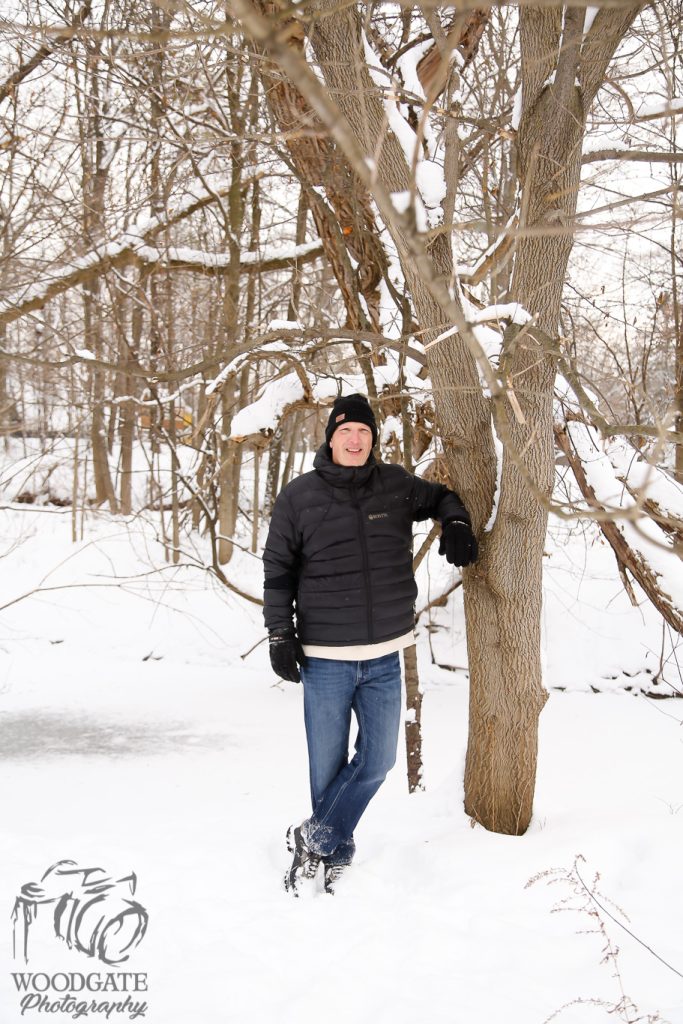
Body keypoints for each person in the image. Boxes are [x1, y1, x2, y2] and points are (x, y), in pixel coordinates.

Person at [263, 393, 477, 895]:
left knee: (378, 760)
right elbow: (278, 570)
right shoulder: (299, 497)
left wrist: (457, 522)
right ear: (330, 438)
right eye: (346, 431)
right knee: (326, 767)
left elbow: (442, 496)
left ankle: (314, 836)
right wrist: (279, 633)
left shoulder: (396, 486)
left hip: (384, 654)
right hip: (325, 657)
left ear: (373, 438)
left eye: (363, 431)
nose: (355, 440)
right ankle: (336, 848)